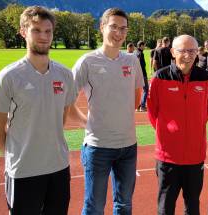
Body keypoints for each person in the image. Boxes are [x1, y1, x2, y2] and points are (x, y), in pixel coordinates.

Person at [0, 6, 76, 214]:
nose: (43, 36)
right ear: (23, 32)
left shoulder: (64, 75)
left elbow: (60, 120)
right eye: (36, 30)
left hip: (58, 169)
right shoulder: (7, 78)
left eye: (48, 31)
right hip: (23, 172)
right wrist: (15, 158)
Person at [70, 8, 144, 215]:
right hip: (98, 147)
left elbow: (136, 96)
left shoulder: (131, 60)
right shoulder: (87, 61)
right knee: (94, 207)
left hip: (129, 146)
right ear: (102, 27)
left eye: (123, 29)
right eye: (113, 27)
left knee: (124, 204)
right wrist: (88, 123)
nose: (119, 33)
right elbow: (66, 102)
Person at [147, 34, 208, 215]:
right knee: (165, 207)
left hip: (195, 156)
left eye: (192, 50)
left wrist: (193, 130)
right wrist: (169, 132)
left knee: (192, 206)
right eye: (182, 50)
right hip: (167, 157)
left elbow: (207, 109)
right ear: (172, 52)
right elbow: (152, 112)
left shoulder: (205, 77)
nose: (188, 55)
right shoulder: (160, 77)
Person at [135, 40, 148, 112]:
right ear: (140, 46)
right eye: (143, 46)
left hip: (138, 74)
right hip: (142, 73)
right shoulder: (140, 53)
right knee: (146, 89)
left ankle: (138, 106)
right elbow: (139, 64)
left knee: (139, 90)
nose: (144, 47)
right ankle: (142, 106)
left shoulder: (136, 52)